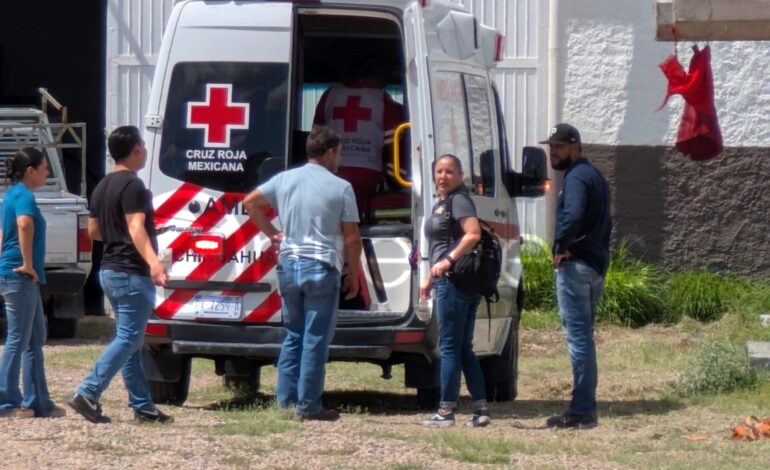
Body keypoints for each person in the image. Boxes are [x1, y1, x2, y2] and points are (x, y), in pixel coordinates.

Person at [243, 125, 362, 421]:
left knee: (293, 335)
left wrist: (273, 234)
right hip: (321, 266)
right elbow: (351, 237)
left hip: (289, 265)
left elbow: (250, 203)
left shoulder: (284, 179)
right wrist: (355, 273)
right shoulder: (341, 187)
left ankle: (284, 401)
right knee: (315, 338)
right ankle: (309, 406)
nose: (340, 160)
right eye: (340, 154)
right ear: (331, 152)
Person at [68, 125, 172, 424]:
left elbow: (94, 232)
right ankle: (87, 391)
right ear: (137, 149)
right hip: (131, 272)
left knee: (131, 340)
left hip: (109, 270)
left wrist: (118, 236)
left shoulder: (102, 186)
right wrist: (153, 261)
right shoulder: (134, 186)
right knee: (128, 338)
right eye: (144, 146)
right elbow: (136, 228)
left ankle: (143, 406)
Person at [540, 123, 611, 429]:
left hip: (576, 265)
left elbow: (575, 214)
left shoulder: (577, 176)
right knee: (585, 339)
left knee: (579, 339)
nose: (553, 151)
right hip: (593, 265)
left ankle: (582, 411)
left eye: (559, 146)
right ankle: (585, 407)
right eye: (551, 146)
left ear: (576, 147)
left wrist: (559, 246)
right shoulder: (594, 176)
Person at [419, 154, 490, 428]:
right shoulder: (444, 202)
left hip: (454, 282)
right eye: (438, 171)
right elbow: (442, 245)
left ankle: (446, 411)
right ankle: (481, 408)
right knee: (462, 348)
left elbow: (473, 234)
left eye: (449, 171)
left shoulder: (459, 200)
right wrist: (429, 276)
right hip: (450, 281)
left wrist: (447, 262)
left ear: (460, 175)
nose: (443, 176)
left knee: (449, 347)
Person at [0, 148, 65, 418]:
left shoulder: (11, 195)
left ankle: (38, 401)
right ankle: (6, 402)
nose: (47, 173)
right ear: (31, 171)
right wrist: (27, 263)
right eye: (44, 168)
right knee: (18, 338)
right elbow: (24, 225)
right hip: (20, 275)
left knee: (36, 336)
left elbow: (4, 231)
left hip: (16, 274)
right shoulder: (24, 196)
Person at [313, 55, 404, 221]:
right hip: (368, 169)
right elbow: (394, 139)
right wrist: (394, 177)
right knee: (356, 216)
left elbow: (316, 134)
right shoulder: (381, 98)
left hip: (332, 168)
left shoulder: (330, 95)